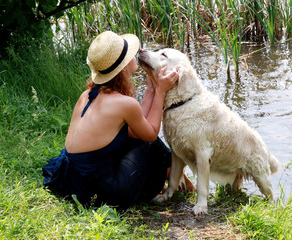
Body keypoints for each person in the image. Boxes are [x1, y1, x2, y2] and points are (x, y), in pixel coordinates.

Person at [42, 31, 194, 209]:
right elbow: (151, 134)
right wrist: (160, 91)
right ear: (122, 68)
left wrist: (151, 89)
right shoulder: (124, 103)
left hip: (75, 181)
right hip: (101, 191)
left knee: (138, 138)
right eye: (129, 54)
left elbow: (132, 130)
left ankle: (180, 184)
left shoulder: (87, 95)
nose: (134, 55)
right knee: (151, 145)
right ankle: (186, 187)